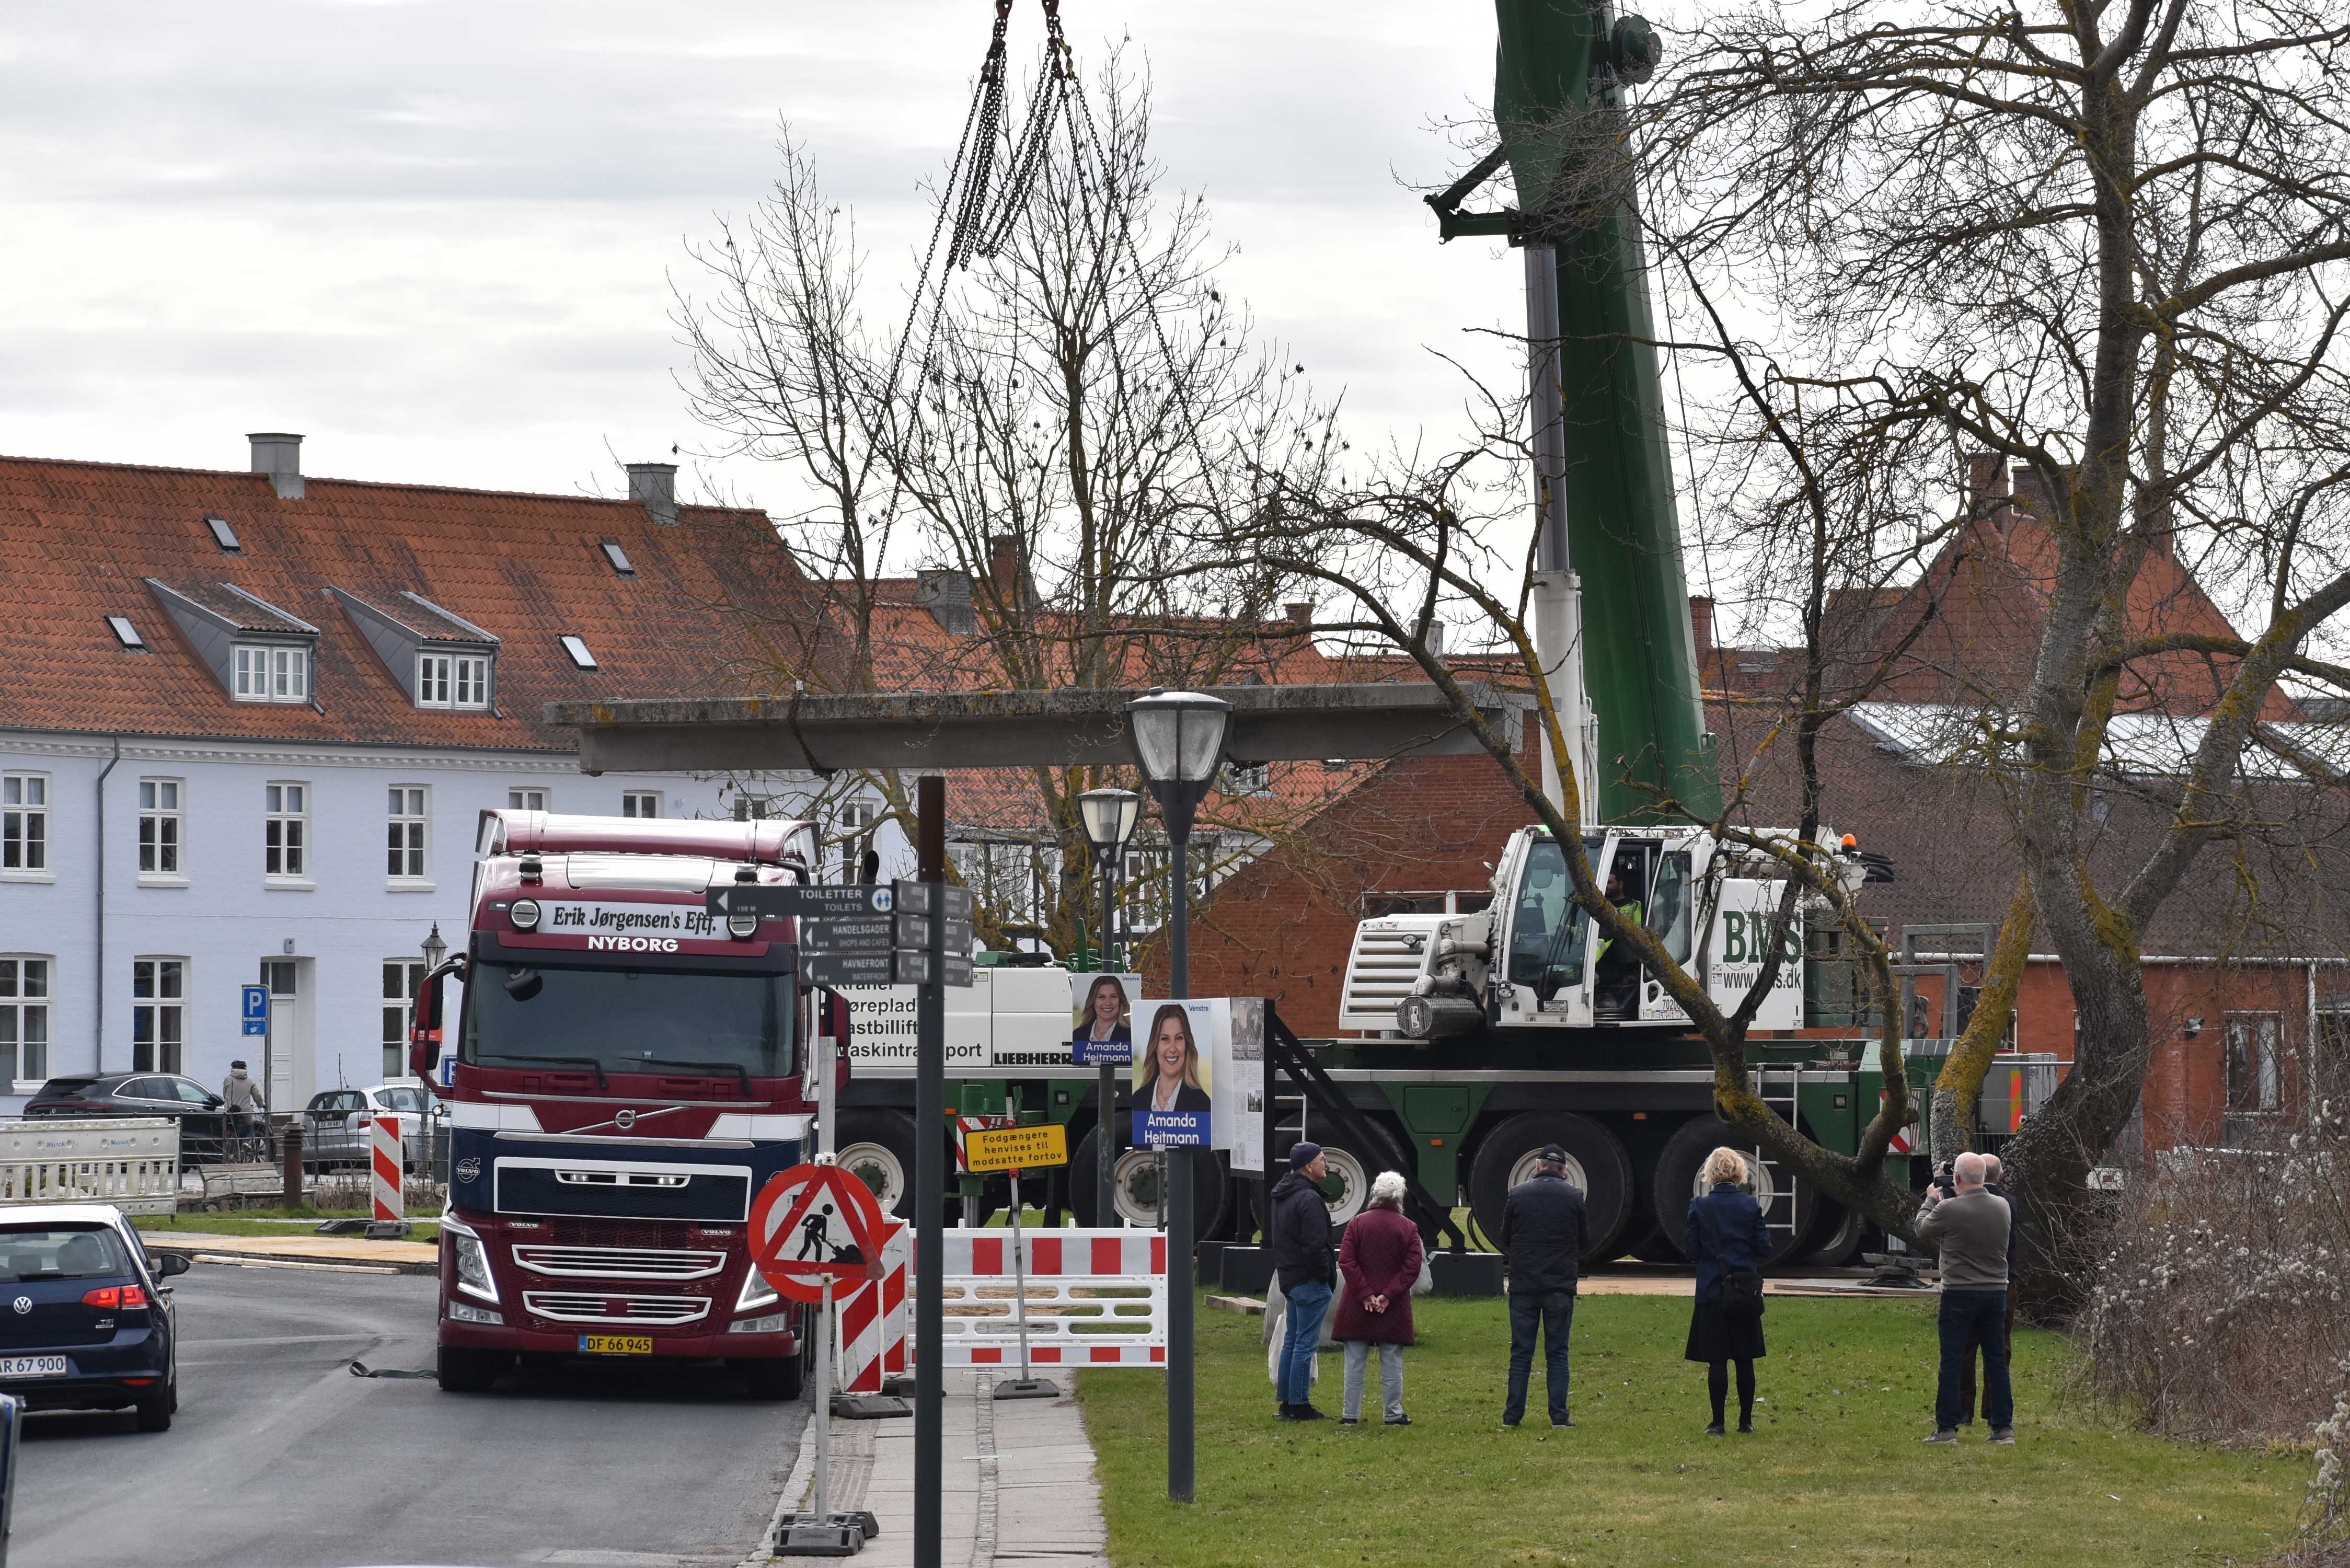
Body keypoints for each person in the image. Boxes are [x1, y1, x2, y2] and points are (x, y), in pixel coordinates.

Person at [1917, 1149, 2015, 1444]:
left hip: (1959, 1292)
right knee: (1996, 1360)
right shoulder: (2002, 1206)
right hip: (1996, 1290)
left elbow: (1922, 1229)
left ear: (1956, 1178)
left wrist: (1931, 1198)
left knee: (1953, 1360)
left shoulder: (1949, 1209)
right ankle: (2002, 1428)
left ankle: (1947, 1428)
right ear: (1985, 1178)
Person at [1684, 1146, 1773, 1435]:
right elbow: (1764, 1248)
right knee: (1745, 1359)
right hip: (1744, 1290)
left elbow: (1691, 1250)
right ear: (1738, 1173)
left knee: (1717, 1358)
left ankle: (1717, 1422)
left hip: (1712, 1288)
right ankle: (1746, 1422)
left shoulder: (1699, 1206)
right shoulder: (1750, 1206)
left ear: (1710, 1174)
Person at [1500, 1142, 1587, 1427]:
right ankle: (1559, 1416)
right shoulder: (1574, 1196)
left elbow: (1505, 1238)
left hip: (1524, 1284)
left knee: (1521, 1353)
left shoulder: (1517, 1194)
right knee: (1558, 1353)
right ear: (1563, 1170)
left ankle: (1513, 1416)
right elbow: (1584, 1240)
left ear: (1537, 1166)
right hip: (1559, 1284)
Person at [1333, 1170, 1423, 1426]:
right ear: (1400, 1198)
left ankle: (1350, 1415)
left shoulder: (1357, 1223)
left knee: (1354, 1364)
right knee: (1392, 1362)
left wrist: (1365, 1294)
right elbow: (1412, 1267)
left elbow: (1347, 1262)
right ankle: (1393, 1415)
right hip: (1393, 1307)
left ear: (1375, 1193)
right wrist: (1387, 1295)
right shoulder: (1409, 1228)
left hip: (1356, 1304)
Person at [1270, 1141, 1335, 1421]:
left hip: (1291, 1278)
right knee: (1305, 1345)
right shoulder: (1308, 1199)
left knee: (1292, 1342)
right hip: (1310, 1281)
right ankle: (1298, 1404)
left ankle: (1287, 1402)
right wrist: (1326, 1276)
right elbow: (1315, 1245)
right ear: (1309, 1166)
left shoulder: (1284, 1195)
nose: (1326, 1164)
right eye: (1322, 1159)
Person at [1958, 1153, 2023, 1426]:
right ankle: (1994, 1408)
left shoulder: (1964, 1204)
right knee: (1999, 1349)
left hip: (1970, 1285)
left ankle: (1963, 1409)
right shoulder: (2010, 1202)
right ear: (2001, 1175)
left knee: (1965, 1349)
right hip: (2005, 1282)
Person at [1135, 1004, 1211, 1114]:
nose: (1172, 1048)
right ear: (1155, 1045)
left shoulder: (1202, 1104)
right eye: (1165, 1039)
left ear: (1187, 1045)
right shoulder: (1138, 1100)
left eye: (1179, 1038)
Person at [1592, 863, 1646, 1017]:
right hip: (1597, 964)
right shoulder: (1595, 906)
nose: (1606, 886)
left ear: (1621, 884)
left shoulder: (1635, 906)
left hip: (1622, 963)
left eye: (1610, 882)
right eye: (1604, 882)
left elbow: (1638, 932)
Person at [1072, 975, 1132, 1049]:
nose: (1108, 1003)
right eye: (1101, 997)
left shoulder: (1130, 1036)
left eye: (1113, 997)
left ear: (1120, 1000)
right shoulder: (1078, 1035)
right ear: (1093, 1001)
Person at [220, 1059, 266, 1141]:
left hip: (231, 1111)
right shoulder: (250, 1081)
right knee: (251, 1123)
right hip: (245, 1112)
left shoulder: (228, 1079)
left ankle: (229, 1146)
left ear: (233, 1068)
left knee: (229, 1128)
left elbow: (225, 1094)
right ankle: (247, 1142)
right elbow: (257, 1096)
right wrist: (261, 1105)